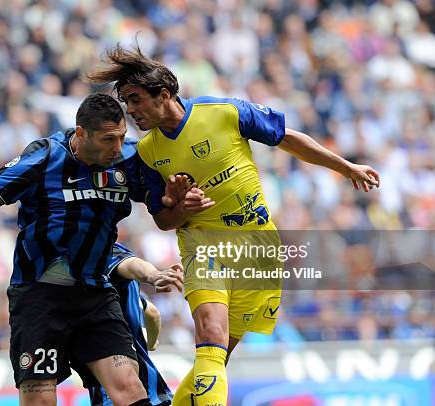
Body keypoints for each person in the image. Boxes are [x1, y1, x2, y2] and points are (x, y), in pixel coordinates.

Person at [86, 46, 381, 406]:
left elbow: (287, 138)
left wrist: (346, 167)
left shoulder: (224, 112)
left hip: (257, 246)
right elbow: (164, 221)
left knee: (216, 356)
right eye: (126, 103)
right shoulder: (146, 153)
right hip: (202, 244)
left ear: (163, 95)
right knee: (210, 334)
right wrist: (179, 205)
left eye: (135, 100)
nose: (130, 111)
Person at [0, 93, 197, 406]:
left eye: (121, 137)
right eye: (108, 139)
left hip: (95, 296)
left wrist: (180, 205)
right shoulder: (44, 158)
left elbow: (165, 219)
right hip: (39, 298)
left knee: (130, 389)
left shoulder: (130, 159)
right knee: (40, 401)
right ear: (81, 133)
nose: (117, 147)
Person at [75, 243, 177, 406]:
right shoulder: (116, 288)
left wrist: (153, 275)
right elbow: (152, 313)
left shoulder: (96, 256)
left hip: (114, 390)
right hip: (151, 389)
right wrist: (151, 343)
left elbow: (131, 264)